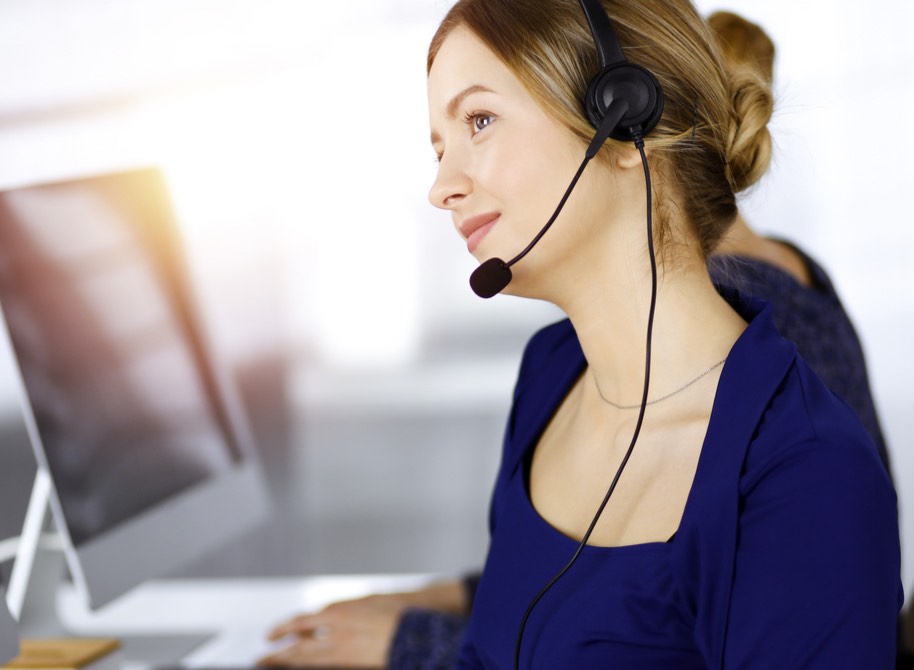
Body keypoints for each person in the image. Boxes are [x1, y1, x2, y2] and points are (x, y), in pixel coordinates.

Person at [260, 1, 901, 667]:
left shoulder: (804, 472)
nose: (442, 187)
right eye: (439, 148)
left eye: (480, 120)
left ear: (625, 120)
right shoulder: (550, 377)